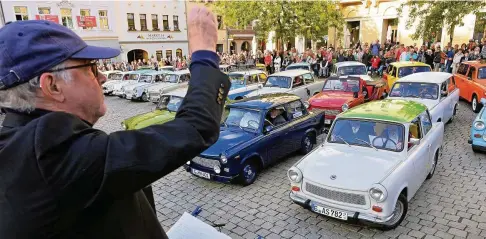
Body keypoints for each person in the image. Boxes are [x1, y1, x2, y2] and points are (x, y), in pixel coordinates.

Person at [0, 6, 230, 239]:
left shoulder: (18, 138)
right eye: (90, 67)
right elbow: (194, 127)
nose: (102, 77)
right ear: (53, 86)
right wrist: (204, 54)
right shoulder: (47, 149)